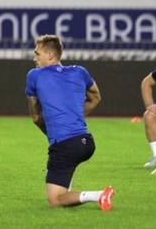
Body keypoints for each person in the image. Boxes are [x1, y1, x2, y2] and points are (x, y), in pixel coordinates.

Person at [25, 35, 114, 210]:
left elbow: (35, 117)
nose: (34, 58)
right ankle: (68, 188)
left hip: (65, 145)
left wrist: (55, 128)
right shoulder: (80, 71)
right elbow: (95, 97)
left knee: (55, 200)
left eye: (37, 53)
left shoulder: (34, 75)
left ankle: (99, 195)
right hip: (86, 142)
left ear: (50, 55)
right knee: (64, 171)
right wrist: (74, 117)